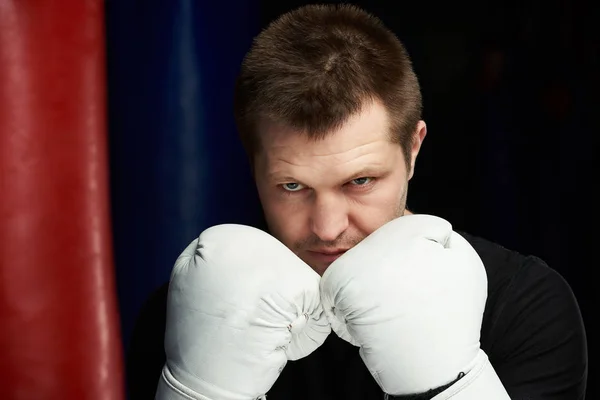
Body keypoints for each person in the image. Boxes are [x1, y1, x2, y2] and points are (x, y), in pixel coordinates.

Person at [126, 4, 588, 400]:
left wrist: (449, 387)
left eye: (360, 181)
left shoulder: (523, 306)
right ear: (253, 166)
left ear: (412, 150)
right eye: (292, 186)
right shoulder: (190, 313)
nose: (327, 227)